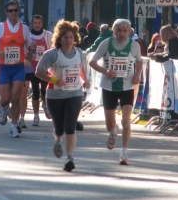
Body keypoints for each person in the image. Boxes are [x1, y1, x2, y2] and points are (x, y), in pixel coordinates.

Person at [35, 19, 90, 172]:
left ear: (75, 39)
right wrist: (54, 80)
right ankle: (58, 140)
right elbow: (38, 72)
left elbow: (80, 68)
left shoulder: (79, 53)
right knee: (59, 128)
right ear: (59, 39)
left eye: (71, 37)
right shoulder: (52, 54)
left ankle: (70, 158)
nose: (68, 40)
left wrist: (85, 80)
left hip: (74, 93)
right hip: (55, 96)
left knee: (70, 126)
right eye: (65, 37)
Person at [89, 19, 142, 165]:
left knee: (126, 120)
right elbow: (92, 62)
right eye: (119, 30)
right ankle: (113, 131)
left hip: (127, 87)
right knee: (109, 124)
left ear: (129, 31)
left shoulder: (134, 45)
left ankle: (124, 153)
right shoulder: (106, 43)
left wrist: (137, 75)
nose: (122, 34)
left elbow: (139, 61)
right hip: (109, 87)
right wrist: (105, 71)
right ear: (114, 31)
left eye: (125, 31)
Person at [0, 1, 36, 138]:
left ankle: (14, 126)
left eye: (15, 10)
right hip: (4, 67)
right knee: (5, 98)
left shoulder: (24, 28)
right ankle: (3, 107)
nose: (13, 13)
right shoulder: (0, 27)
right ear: (6, 13)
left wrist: (31, 50)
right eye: (10, 11)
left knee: (16, 97)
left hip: (18, 67)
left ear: (18, 11)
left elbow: (28, 47)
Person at [29, 15, 53, 126]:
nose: (37, 25)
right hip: (32, 68)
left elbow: (52, 51)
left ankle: (45, 104)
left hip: (44, 69)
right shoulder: (28, 35)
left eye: (39, 23)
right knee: (35, 93)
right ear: (32, 24)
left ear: (42, 24)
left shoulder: (48, 35)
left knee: (44, 91)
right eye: (35, 23)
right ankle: (36, 116)